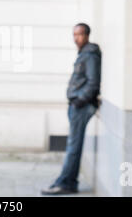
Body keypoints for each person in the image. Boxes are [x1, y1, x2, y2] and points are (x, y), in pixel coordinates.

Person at [42, 23, 101, 195]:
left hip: (80, 107)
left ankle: (65, 183)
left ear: (87, 35)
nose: (77, 38)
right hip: (77, 106)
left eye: (80, 34)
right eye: (74, 34)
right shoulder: (84, 53)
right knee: (73, 145)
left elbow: (93, 83)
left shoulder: (90, 55)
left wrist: (79, 101)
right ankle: (69, 181)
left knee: (73, 147)